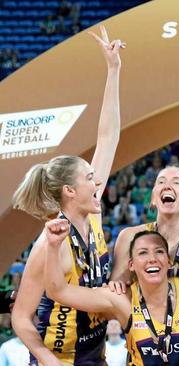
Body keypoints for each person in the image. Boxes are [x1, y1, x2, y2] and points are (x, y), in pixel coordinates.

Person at [11, 26, 123, 366]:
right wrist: (46, 358)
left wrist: (114, 70)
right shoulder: (49, 243)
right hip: (58, 359)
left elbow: (108, 137)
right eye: (90, 178)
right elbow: (21, 316)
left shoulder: (94, 214)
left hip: (95, 355)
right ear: (70, 191)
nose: (98, 181)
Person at [44, 224, 179, 365]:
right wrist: (52, 246)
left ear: (169, 261)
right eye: (143, 253)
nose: (152, 258)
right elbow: (58, 291)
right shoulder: (122, 298)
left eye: (159, 251)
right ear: (131, 265)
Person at [111, 165, 179, 284]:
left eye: (176, 182)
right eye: (161, 182)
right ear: (153, 199)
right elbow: (117, 288)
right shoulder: (129, 237)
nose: (167, 186)